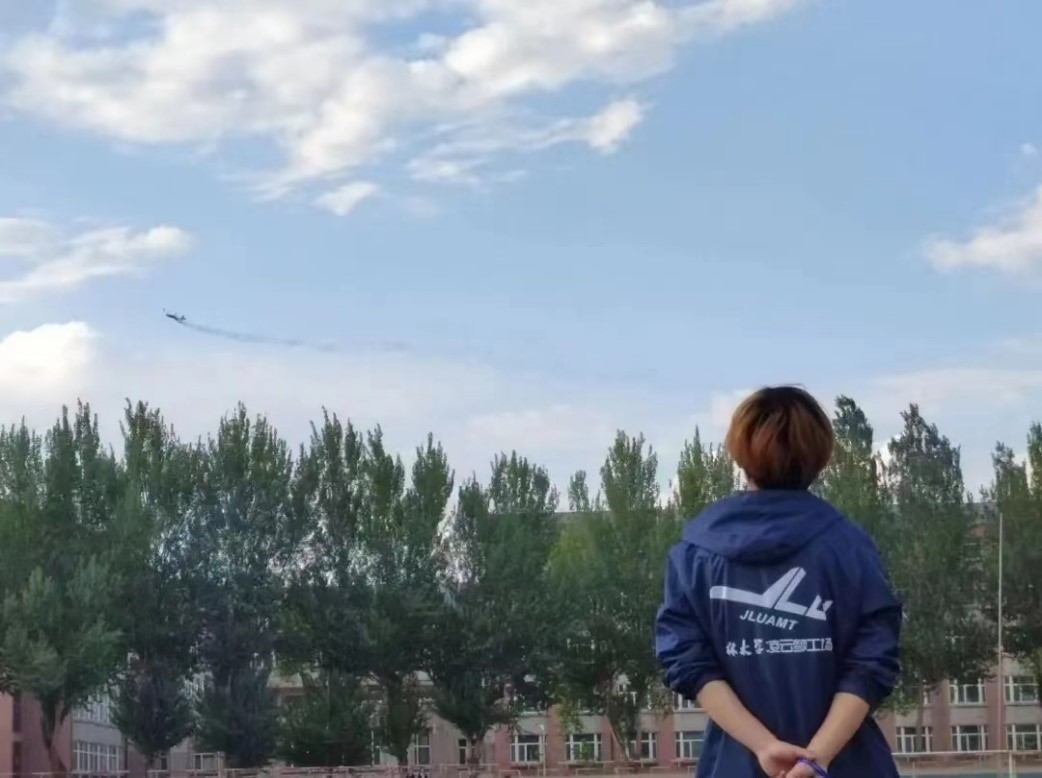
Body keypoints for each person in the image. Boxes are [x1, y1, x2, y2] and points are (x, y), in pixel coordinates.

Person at [655, 386, 902, 778]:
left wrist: (763, 746)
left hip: (734, 766)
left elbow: (687, 662)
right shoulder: (851, 548)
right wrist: (816, 757)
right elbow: (872, 662)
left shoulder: (694, 555)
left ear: (740, 452)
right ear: (821, 454)